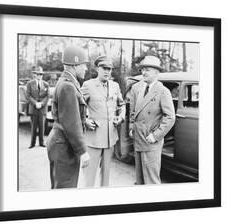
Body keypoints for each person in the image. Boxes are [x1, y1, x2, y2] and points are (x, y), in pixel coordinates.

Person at [47, 45, 90, 189]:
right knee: (65, 189)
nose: (86, 68)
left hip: (61, 143)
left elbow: (70, 115)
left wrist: (85, 121)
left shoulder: (68, 83)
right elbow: (71, 124)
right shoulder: (68, 86)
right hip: (64, 147)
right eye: (84, 65)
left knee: (59, 186)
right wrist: (82, 151)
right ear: (75, 64)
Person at [128, 55, 175, 184]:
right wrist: (131, 127)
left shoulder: (163, 91)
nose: (143, 72)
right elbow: (132, 112)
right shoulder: (136, 88)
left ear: (156, 72)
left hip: (151, 141)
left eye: (147, 69)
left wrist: (155, 136)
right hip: (138, 138)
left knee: (151, 180)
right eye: (142, 69)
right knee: (140, 179)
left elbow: (170, 117)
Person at [81, 56, 125, 187]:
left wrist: (121, 117)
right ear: (97, 69)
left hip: (110, 138)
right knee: (89, 176)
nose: (107, 72)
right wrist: (85, 120)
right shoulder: (88, 85)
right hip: (93, 138)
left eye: (109, 69)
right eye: (104, 68)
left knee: (106, 177)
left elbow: (121, 105)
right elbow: (78, 106)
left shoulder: (115, 86)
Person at [26, 66, 49, 148]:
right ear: (35, 74)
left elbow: (47, 96)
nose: (40, 76)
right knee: (34, 126)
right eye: (38, 74)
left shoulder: (46, 84)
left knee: (42, 126)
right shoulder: (29, 83)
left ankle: (42, 142)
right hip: (34, 108)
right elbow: (28, 95)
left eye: (41, 74)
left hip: (42, 109)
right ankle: (32, 143)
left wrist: (42, 104)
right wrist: (35, 103)